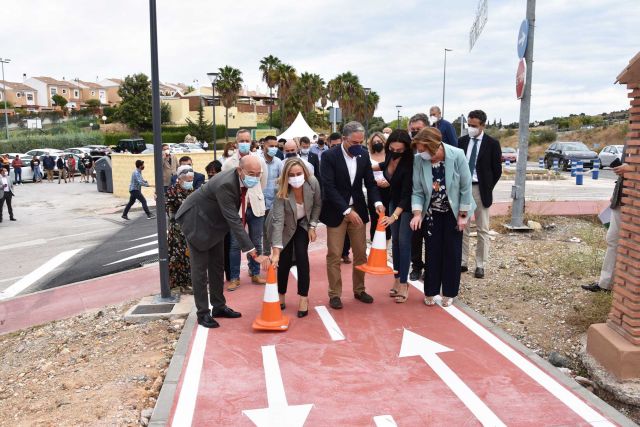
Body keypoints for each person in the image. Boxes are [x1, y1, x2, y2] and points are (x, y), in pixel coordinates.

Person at [176, 156, 270, 328]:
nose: (255, 177)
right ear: (240, 170)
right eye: (251, 173)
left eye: (258, 174)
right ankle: (203, 313)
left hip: (215, 224)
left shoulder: (241, 179)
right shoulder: (226, 184)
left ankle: (218, 306)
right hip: (197, 220)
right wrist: (253, 252)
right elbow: (233, 219)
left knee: (218, 266)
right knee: (200, 270)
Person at [320, 121, 385, 310]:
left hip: (358, 209)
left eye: (361, 142)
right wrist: (346, 210)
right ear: (343, 138)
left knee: (360, 254)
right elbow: (328, 187)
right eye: (354, 143)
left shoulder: (364, 156)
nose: (358, 146)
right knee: (334, 254)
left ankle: (359, 290)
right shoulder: (329, 156)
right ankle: (335, 294)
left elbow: (370, 184)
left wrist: (377, 202)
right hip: (337, 212)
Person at [410, 127, 474, 307]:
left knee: (452, 252)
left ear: (433, 146)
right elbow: (417, 190)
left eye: (422, 149)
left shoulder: (457, 155)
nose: (420, 153)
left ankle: (449, 292)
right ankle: (430, 291)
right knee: (432, 251)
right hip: (432, 213)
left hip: (454, 212)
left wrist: (463, 215)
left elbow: (465, 187)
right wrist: (417, 214)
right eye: (418, 150)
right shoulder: (419, 161)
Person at [268, 158, 322, 317]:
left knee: (302, 257)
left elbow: (318, 204)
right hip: (284, 224)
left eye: (299, 173)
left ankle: (303, 298)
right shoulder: (280, 188)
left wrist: (312, 226)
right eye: (291, 174)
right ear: (286, 176)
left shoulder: (312, 182)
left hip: (303, 223)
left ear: (304, 173)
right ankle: (281, 295)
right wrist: (276, 250)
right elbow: (278, 220)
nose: (296, 177)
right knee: (283, 261)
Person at [222, 129, 269, 289]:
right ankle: (234, 277)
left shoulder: (259, 161)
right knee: (235, 244)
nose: (244, 143)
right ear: (236, 143)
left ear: (251, 142)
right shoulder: (229, 163)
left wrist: (252, 195)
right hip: (236, 209)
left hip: (255, 206)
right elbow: (225, 185)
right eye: (241, 140)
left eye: (247, 140)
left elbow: (263, 182)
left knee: (256, 241)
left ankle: (255, 273)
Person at [458, 109, 502, 279]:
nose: (471, 128)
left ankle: (480, 264)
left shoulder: (492, 144)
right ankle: (462, 261)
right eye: (469, 125)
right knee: (463, 227)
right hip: (463, 189)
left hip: (480, 189)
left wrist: (487, 187)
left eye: (474, 126)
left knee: (482, 229)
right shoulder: (461, 141)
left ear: (483, 125)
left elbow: (496, 170)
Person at [582, 158, 634, 292]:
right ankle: (605, 284)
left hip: (634, 204)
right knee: (613, 240)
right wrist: (616, 192)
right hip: (621, 201)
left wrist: (631, 169)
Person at [377, 130, 414, 303]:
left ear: (406, 149)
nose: (395, 151)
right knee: (396, 243)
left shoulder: (410, 162)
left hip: (407, 206)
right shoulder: (390, 155)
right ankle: (397, 277)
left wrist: (394, 216)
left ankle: (404, 284)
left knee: (404, 243)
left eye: (399, 150)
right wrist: (366, 168)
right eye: (392, 148)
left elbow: (407, 194)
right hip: (393, 201)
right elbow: (385, 166)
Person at [407, 113, 430, 281]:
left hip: (431, 200)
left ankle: (430, 267)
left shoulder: (434, 147)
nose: (415, 133)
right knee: (415, 236)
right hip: (413, 198)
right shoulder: (408, 148)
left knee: (430, 237)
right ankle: (416, 266)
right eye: (413, 130)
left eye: (419, 129)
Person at [166, 165, 196, 292]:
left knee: (189, 255)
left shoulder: (191, 190)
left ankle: (189, 282)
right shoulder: (173, 190)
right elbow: (170, 208)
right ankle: (178, 284)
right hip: (177, 228)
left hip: (190, 227)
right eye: (188, 180)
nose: (190, 183)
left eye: (191, 180)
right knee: (178, 255)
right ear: (180, 179)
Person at [327, 131, 352, 263]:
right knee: (335, 235)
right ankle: (336, 254)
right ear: (329, 144)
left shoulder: (353, 156)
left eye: (338, 145)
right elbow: (327, 182)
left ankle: (345, 252)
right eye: (333, 145)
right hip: (333, 201)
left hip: (349, 200)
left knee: (348, 232)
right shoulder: (327, 157)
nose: (336, 147)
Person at [260, 135, 282, 256]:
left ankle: (275, 254)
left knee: (274, 230)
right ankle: (265, 255)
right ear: (264, 145)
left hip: (274, 203)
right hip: (260, 202)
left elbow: (282, 181)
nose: (274, 148)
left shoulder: (278, 162)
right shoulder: (258, 160)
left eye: (276, 146)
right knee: (260, 232)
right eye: (271, 146)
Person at [367, 131, 391, 241]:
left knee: (388, 217)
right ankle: (375, 244)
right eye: (374, 142)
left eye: (379, 141)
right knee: (375, 218)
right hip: (374, 189)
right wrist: (376, 182)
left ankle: (386, 244)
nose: (377, 143)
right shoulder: (368, 156)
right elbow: (366, 173)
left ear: (384, 142)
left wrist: (389, 181)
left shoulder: (390, 155)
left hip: (389, 189)